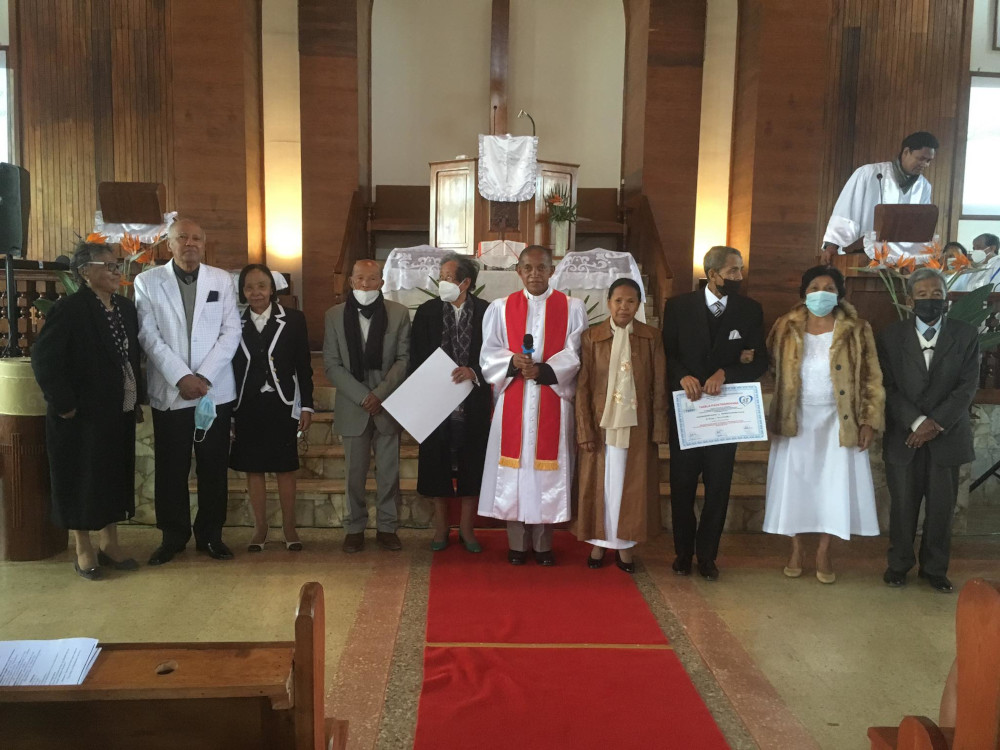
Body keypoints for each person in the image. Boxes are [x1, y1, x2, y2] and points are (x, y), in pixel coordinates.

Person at [763, 266, 884, 583]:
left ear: (840, 294)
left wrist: (868, 420)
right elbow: (771, 368)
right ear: (804, 293)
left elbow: (872, 378)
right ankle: (796, 549)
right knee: (795, 485)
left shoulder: (857, 329)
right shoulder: (785, 326)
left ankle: (824, 551)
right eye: (814, 287)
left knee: (833, 486)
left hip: (838, 420)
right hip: (795, 418)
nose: (821, 293)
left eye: (829, 288)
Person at [31, 242, 143, 580]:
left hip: (116, 409)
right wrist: (64, 404)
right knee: (80, 478)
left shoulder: (125, 308)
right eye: (107, 265)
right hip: (79, 415)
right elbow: (45, 359)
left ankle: (110, 543)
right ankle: (83, 548)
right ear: (84, 272)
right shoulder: (70, 309)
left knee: (111, 475)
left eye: (117, 264)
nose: (116, 271)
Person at [135, 218, 242, 566]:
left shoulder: (221, 280)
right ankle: (173, 536)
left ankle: (211, 535)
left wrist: (203, 377)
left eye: (197, 238)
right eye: (182, 237)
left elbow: (231, 332)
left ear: (204, 244)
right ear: (170, 244)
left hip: (214, 390)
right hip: (171, 390)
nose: (190, 243)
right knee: (171, 467)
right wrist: (181, 376)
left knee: (213, 466)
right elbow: (148, 335)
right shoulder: (147, 281)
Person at [662, 246, 767, 581]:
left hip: (725, 415)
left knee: (718, 488)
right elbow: (667, 353)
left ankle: (707, 556)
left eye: (740, 270)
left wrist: (726, 373)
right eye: (733, 271)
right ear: (712, 274)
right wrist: (682, 375)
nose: (739, 276)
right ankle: (683, 553)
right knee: (682, 486)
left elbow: (760, 361)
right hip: (688, 412)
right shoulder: (678, 307)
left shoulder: (750, 310)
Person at [479, 245, 588, 566]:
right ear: (519, 271)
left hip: (551, 397)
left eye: (541, 268)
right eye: (528, 268)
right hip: (513, 398)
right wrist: (512, 361)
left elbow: (575, 353)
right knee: (515, 471)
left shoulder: (572, 308)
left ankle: (543, 545)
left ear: (552, 270)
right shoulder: (500, 308)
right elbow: (489, 353)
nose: (534, 274)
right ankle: (516, 543)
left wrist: (543, 370)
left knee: (545, 473)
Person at [876, 267, 980, 593]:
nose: (930, 300)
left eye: (937, 294)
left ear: (946, 299)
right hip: (904, 436)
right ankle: (898, 565)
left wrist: (935, 423)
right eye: (922, 295)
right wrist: (917, 422)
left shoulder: (965, 335)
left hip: (947, 436)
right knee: (903, 506)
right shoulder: (890, 336)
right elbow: (887, 386)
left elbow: (967, 386)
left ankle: (935, 569)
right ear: (909, 301)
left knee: (941, 509)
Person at [574, 278, 667, 573]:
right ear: (608, 303)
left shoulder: (651, 337)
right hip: (601, 425)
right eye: (618, 301)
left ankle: (625, 546)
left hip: (637, 427)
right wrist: (584, 429)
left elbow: (659, 384)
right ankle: (599, 543)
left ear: (638, 305)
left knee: (631, 487)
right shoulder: (592, 337)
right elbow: (583, 387)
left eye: (630, 301)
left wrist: (659, 428)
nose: (623, 307)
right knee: (601, 485)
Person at [323, 259, 410, 553]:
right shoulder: (334, 316)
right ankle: (354, 527)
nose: (365, 284)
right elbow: (331, 364)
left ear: (381, 283)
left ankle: (387, 527)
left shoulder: (398, 313)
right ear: (351, 281)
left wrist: (380, 394)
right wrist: (363, 396)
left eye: (372, 279)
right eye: (359, 278)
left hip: (388, 404)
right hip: (353, 405)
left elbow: (404, 359)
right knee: (354, 474)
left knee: (389, 473)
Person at [230, 264, 314, 552]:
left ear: (272, 289)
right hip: (247, 404)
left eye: (262, 286)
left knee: (285, 467)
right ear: (242, 291)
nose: (256, 292)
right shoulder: (233, 321)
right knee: (253, 468)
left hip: (283, 402)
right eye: (249, 287)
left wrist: (307, 406)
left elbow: (303, 365)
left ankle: (289, 527)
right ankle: (260, 528)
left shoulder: (293, 319)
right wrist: (230, 412)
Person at [409, 254, 490, 553]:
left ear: (465, 282)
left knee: (472, 462)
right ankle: (441, 526)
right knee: (436, 462)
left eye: (447, 277)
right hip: (436, 399)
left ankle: (467, 528)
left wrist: (474, 372)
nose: (442, 281)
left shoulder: (487, 311)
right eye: (441, 276)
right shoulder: (427, 312)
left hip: (473, 398)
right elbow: (416, 355)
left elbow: (495, 352)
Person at [820, 131, 938, 265]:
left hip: (901, 261)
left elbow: (921, 226)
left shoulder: (923, 186)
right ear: (906, 152)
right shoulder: (868, 174)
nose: (925, 164)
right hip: (862, 257)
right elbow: (846, 210)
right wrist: (832, 245)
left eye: (929, 161)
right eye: (921, 158)